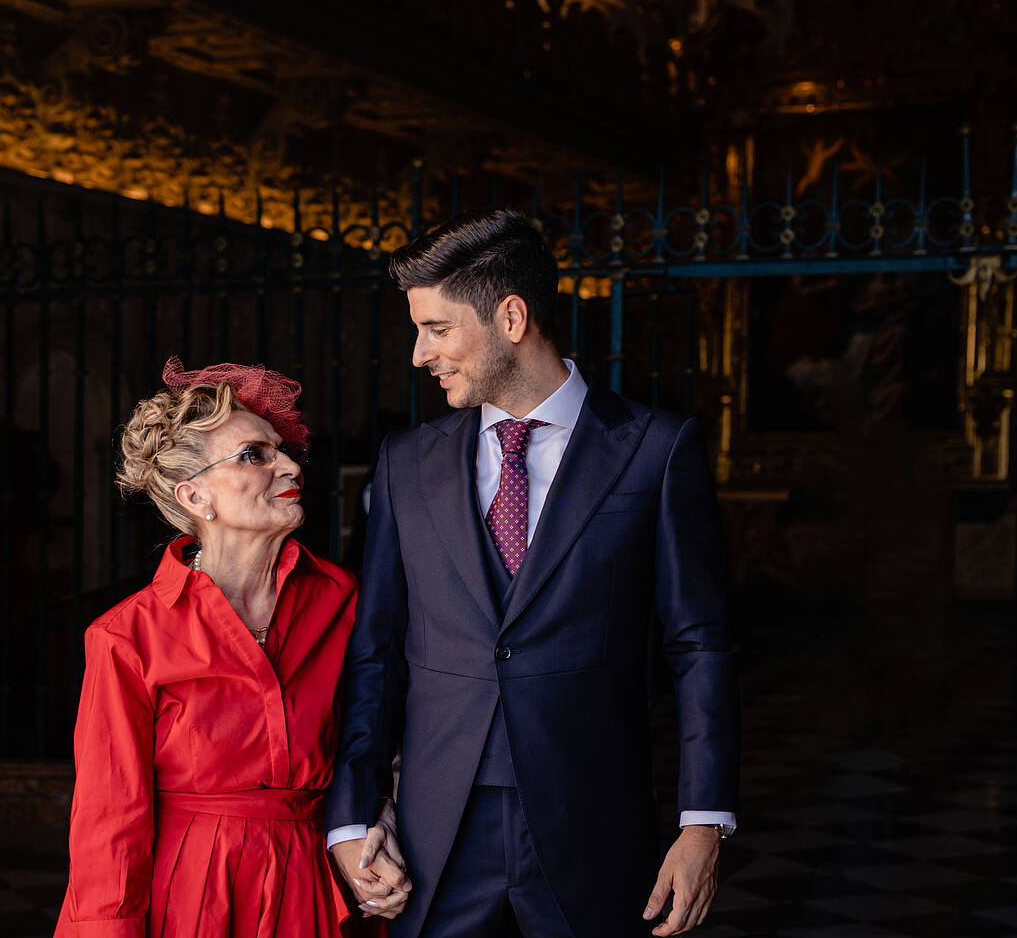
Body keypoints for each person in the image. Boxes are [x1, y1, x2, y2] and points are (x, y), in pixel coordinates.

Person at [325, 210, 740, 937]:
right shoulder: (405, 463)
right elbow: (376, 650)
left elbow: (699, 644)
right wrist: (353, 815)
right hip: (435, 834)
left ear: (510, 316)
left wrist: (703, 821)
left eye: (438, 328)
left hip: (595, 823)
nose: (420, 354)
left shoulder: (657, 451)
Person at [53, 359, 364, 938]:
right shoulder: (128, 639)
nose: (290, 465)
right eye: (255, 455)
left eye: (281, 450)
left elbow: (378, 739)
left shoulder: (342, 600)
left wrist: (375, 823)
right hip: (196, 893)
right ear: (195, 496)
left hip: (319, 885)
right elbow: (109, 821)